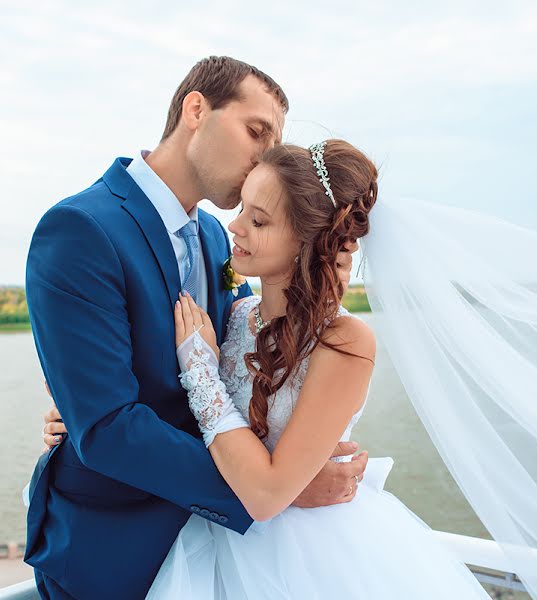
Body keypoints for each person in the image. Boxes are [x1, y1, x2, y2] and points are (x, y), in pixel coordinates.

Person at [43, 140, 493, 598]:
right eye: (242, 210)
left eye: (258, 220)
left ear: (307, 243)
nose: (233, 227)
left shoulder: (345, 341)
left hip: (309, 556)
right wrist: (82, 416)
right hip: (207, 539)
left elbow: (265, 490)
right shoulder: (237, 316)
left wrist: (200, 368)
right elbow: (164, 400)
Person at [24, 56, 366, 600]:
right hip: (116, 548)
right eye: (257, 131)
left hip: (214, 552)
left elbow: (252, 361)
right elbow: (108, 427)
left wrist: (304, 448)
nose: (265, 155)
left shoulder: (216, 236)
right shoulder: (80, 229)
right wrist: (277, 490)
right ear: (196, 109)